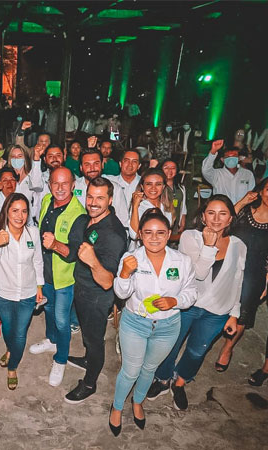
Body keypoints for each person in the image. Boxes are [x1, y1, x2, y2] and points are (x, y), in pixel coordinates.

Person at [148, 195, 243, 409]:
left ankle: (180, 383)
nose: (216, 219)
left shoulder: (239, 245)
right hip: (186, 305)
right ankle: (162, 379)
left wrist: (234, 314)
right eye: (211, 213)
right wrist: (209, 246)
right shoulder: (190, 237)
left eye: (223, 214)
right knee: (171, 344)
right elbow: (198, 274)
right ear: (203, 217)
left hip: (217, 311)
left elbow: (238, 281)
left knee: (197, 351)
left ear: (230, 218)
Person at [110, 209, 196, 436]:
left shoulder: (182, 261)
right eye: (148, 232)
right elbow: (121, 293)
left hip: (168, 327)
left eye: (160, 232)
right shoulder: (131, 259)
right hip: (135, 323)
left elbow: (191, 293)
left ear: (169, 234)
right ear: (140, 234)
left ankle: (138, 401)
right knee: (130, 370)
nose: (154, 237)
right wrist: (125, 273)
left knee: (149, 368)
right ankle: (117, 406)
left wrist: (175, 301)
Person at [64, 178, 127, 403]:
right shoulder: (90, 220)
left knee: (94, 340)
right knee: (88, 335)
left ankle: (89, 383)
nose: (93, 202)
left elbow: (108, 282)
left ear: (110, 200)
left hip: (96, 297)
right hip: (82, 289)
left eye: (100, 198)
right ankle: (88, 359)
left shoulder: (113, 234)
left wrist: (92, 261)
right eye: (90, 196)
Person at [0, 193, 45, 390]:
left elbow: (37, 261)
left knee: (20, 333)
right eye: (15, 211)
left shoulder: (33, 233)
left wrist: (39, 286)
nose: (20, 216)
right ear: (6, 211)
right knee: (8, 329)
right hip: (3, 292)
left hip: (27, 293)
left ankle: (12, 367)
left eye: (24, 211)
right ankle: (10, 349)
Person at [28, 167, 86, 386]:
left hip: (64, 279)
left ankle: (61, 359)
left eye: (65, 183)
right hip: (45, 274)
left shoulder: (79, 214)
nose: (60, 188)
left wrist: (55, 245)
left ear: (73, 185)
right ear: (49, 185)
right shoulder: (46, 201)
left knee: (62, 321)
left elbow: (73, 253)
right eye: (55, 183)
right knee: (49, 310)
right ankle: (52, 341)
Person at [215, 177, 268, 376]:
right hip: (230, 264)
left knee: (244, 312)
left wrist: (266, 282)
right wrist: (244, 200)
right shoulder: (245, 211)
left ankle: (227, 348)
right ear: (261, 191)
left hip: (255, 272)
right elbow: (224, 221)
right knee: (218, 304)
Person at [202, 139, 255, 204]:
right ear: (222, 159)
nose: (231, 159)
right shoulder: (217, 175)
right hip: (222, 209)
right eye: (227, 157)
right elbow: (205, 170)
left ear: (239, 158)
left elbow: (251, 195)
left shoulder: (248, 174)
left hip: (243, 209)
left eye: (234, 156)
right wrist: (213, 151)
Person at [130, 168, 174, 242]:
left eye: (158, 184)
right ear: (142, 186)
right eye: (149, 184)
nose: (153, 188)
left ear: (163, 187)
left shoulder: (166, 206)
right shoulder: (139, 206)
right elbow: (134, 235)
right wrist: (135, 207)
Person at [104, 149, 142, 229]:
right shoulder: (109, 181)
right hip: (113, 229)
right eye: (126, 161)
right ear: (120, 164)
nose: (130, 165)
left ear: (139, 166)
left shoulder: (145, 184)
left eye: (134, 161)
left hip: (138, 229)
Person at [162, 159, 187, 235]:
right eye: (166, 168)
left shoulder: (181, 187)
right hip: (161, 224)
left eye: (173, 168)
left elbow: (183, 206)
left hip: (176, 225)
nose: (169, 170)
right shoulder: (158, 187)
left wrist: (183, 221)